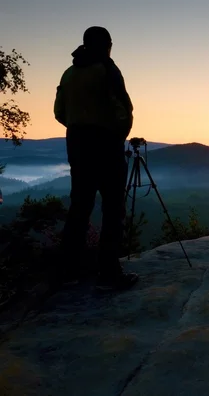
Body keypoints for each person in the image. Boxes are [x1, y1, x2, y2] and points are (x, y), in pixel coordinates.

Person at [54, 26, 138, 291]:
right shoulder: (107, 70)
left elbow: (59, 111)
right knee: (113, 209)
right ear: (106, 45)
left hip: (77, 144)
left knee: (80, 206)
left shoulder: (69, 73)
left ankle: (68, 270)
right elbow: (123, 109)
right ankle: (109, 273)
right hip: (105, 144)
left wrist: (78, 127)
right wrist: (117, 135)